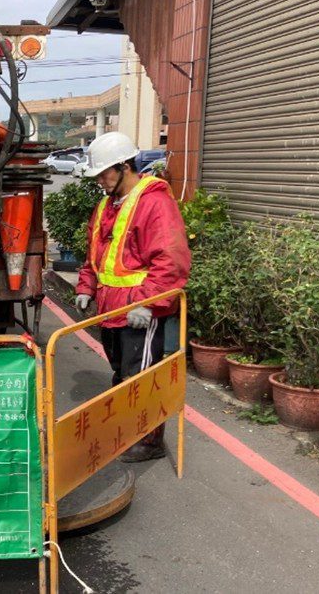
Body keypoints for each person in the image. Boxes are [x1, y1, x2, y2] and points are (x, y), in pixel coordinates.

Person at [75, 132, 191, 462]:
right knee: (121, 374)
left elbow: (172, 260)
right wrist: (86, 288)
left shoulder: (154, 202)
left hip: (139, 311)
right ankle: (128, 429)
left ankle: (149, 441)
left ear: (124, 166)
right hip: (110, 310)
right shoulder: (105, 206)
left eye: (103, 173)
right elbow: (95, 256)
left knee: (140, 378)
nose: (99, 180)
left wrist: (149, 306)